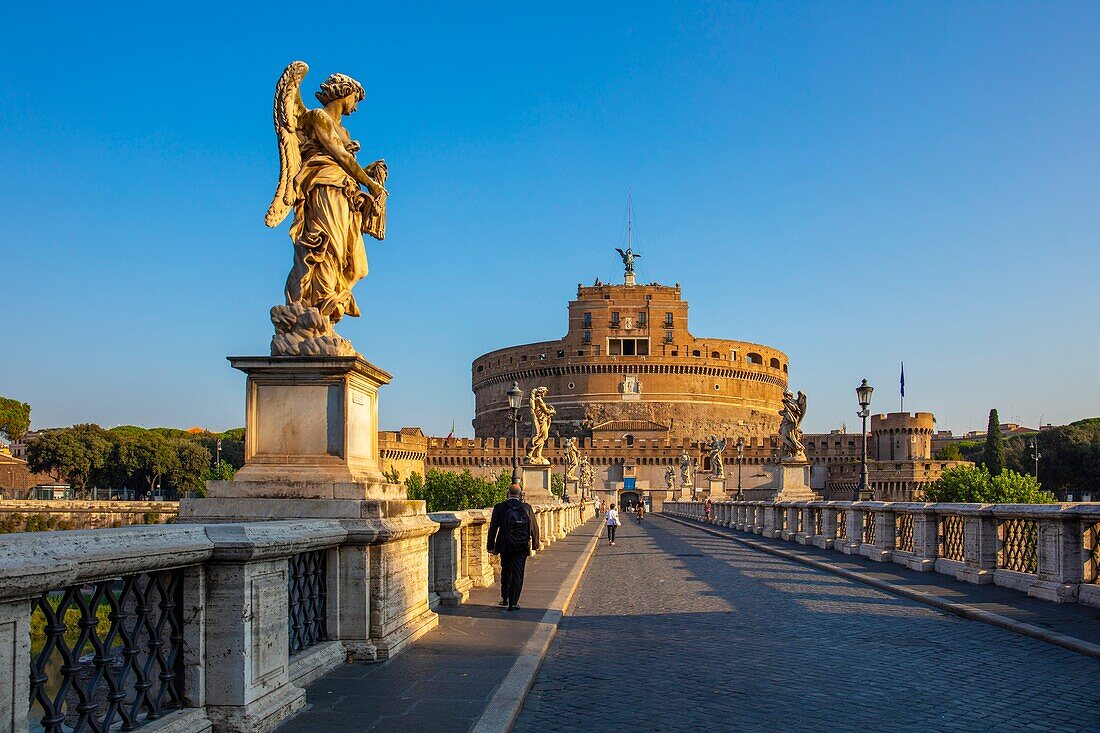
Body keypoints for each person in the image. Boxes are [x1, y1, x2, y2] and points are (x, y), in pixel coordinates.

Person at [487, 485, 540, 611]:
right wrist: (535, 544)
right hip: (521, 546)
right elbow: (534, 527)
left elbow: (493, 528)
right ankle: (514, 602)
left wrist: (490, 546)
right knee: (518, 573)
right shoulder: (526, 508)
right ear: (520, 494)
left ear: (508, 494)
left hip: (505, 545)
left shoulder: (500, 507)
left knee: (506, 570)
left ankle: (505, 597)